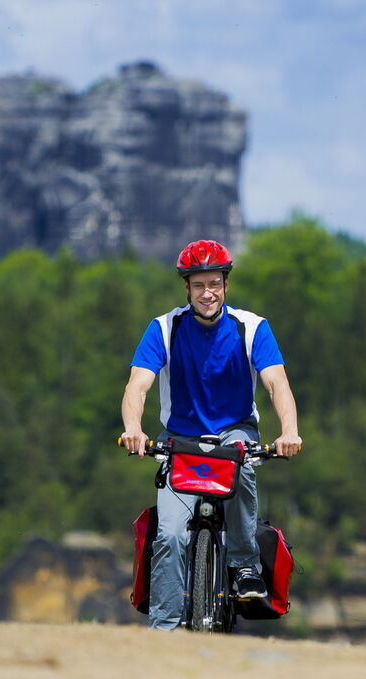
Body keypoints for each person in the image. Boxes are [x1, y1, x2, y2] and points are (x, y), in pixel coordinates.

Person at [120, 239, 303, 631]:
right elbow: (138, 386)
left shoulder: (252, 327)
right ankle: (165, 631)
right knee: (169, 537)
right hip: (179, 437)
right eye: (199, 284)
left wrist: (289, 431)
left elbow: (277, 383)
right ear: (186, 287)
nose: (208, 293)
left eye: (215, 284)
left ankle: (243, 565)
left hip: (233, 430)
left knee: (243, 463)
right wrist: (133, 429)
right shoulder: (164, 329)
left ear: (226, 285)